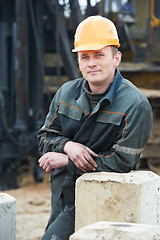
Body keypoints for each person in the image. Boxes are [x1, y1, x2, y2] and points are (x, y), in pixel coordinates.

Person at [37, 15, 153, 240]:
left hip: (106, 199)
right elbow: (45, 138)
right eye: (85, 56)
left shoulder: (135, 104)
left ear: (116, 58)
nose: (91, 63)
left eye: (99, 55)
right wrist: (69, 146)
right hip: (62, 194)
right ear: (78, 62)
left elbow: (121, 162)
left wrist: (66, 160)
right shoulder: (65, 94)